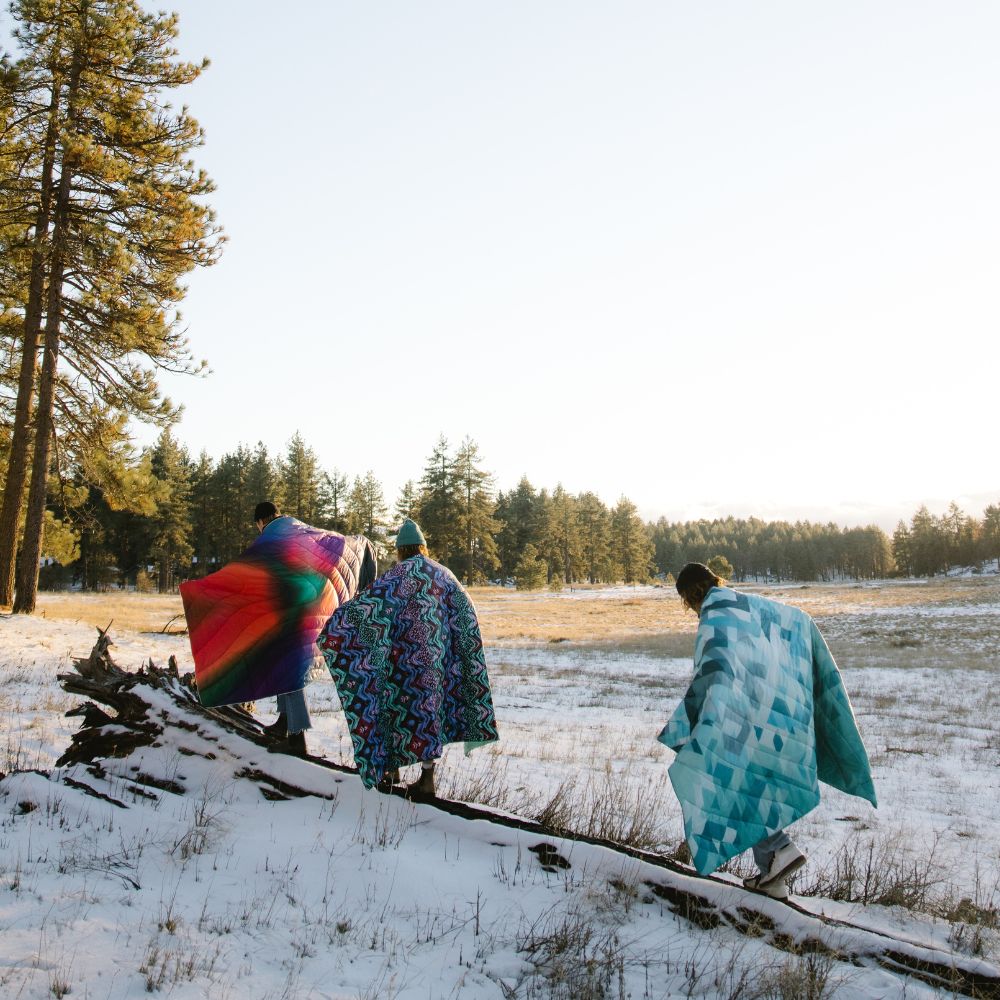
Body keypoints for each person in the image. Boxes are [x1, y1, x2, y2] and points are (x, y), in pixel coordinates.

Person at [659, 562, 877, 899]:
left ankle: (778, 850)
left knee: (726, 777)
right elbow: (795, 621)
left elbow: (713, 671)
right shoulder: (744, 604)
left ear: (690, 596)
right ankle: (771, 877)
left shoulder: (714, 618)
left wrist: (696, 715)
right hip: (772, 710)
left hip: (740, 714)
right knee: (751, 783)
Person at [317, 518, 499, 795]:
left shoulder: (397, 575)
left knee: (393, 706)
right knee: (431, 716)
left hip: (404, 664)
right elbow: (465, 610)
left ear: (401, 550)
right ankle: (427, 778)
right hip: (438, 664)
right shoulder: (443, 574)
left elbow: (367, 607)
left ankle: (391, 769)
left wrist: (335, 627)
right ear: (423, 547)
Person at [180, 501, 376, 757]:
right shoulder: (298, 528)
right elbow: (326, 543)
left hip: (293, 614)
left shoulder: (273, 533)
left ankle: (297, 738)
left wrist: (202, 588)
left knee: (287, 670)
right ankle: (285, 722)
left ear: (261, 521)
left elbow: (246, 571)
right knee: (282, 666)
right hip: (301, 611)